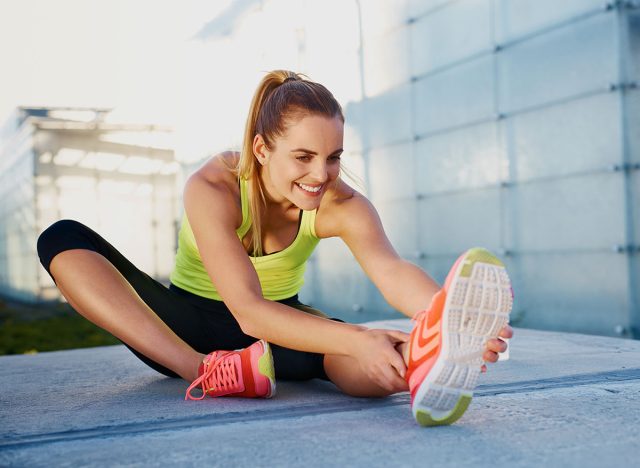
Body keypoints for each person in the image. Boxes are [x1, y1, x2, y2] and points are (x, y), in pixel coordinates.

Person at [37, 70, 513, 427]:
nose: (321, 174)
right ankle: (206, 371)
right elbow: (246, 311)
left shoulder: (340, 203)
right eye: (303, 157)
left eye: (333, 157)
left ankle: (422, 360)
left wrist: (446, 318)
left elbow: (390, 270)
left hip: (279, 328)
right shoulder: (214, 186)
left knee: (370, 357)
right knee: (61, 238)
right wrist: (357, 336)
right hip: (182, 326)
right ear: (262, 150)